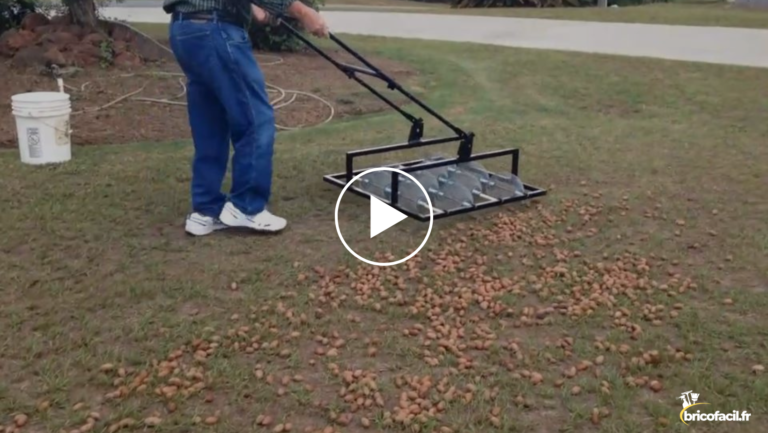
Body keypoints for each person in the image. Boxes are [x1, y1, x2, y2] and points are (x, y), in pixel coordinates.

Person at [161, 0, 329, 236]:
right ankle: (246, 207)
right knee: (255, 119)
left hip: (185, 29)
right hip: (216, 29)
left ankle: (206, 211)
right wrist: (304, 12)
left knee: (210, 122)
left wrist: (250, 9)